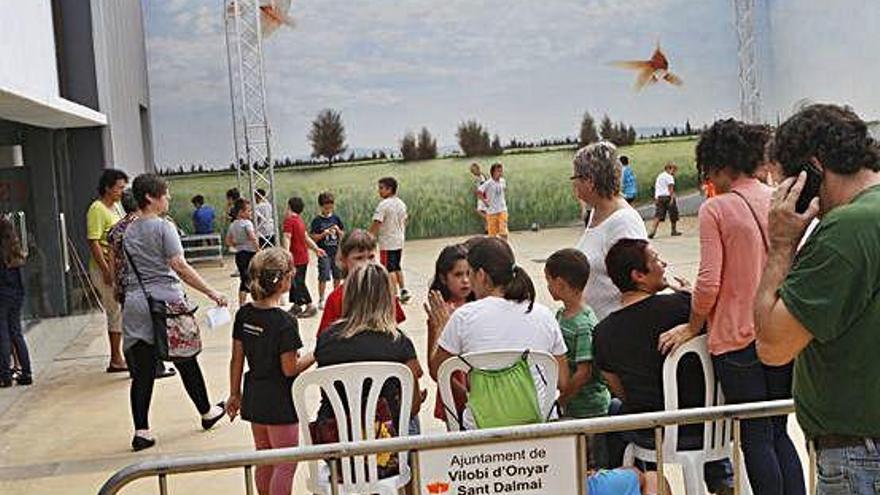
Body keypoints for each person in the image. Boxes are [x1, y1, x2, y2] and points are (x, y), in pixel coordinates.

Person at [660, 119, 805, 495]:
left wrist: (693, 325)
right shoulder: (778, 198)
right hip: (779, 330)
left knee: (754, 437)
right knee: (779, 432)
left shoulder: (716, 209)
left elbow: (709, 282)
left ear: (720, 164)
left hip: (737, 339)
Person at [754, 104, 880, 493]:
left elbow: (774, 345)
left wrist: (781, 246)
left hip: (859, 454)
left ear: (813, 169)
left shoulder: (848, 229)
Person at [594, 238, 733, 493]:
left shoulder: (603, 333)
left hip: (655, 432)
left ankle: (638, 482)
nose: (664, 264)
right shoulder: (683, 308)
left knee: (615, 410)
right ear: (639, 276)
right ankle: (722, 479)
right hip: (711, 425)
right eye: (657, 260)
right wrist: (691, 296)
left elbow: (621, 391)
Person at [122, 174, 228, 451]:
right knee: (186, 359)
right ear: (150, 198)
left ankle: (141, 431)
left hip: (136, 303)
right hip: (166, 303)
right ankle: (206, 412)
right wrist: (212, 292)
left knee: (143, 370)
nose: (168, 199)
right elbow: (179, 265)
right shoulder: (163, 227)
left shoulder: (129, 229)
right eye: (165, 194)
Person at [426, 237, 570, 428]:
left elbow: (438, 372)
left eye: (470, 273)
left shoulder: (463, 317)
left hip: (481, 430)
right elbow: (563, 381)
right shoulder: (544, 315)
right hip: (539, 427)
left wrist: (441, 327)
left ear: (482, 276)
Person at [227, 248, 306, 495]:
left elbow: (236, 359)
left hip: (254, 397)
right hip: (279, 401)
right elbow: (289, 368)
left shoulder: (244, 314)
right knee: (285, 464)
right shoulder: (285, 322)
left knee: (266, 458)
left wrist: (234, 394)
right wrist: (317, 353)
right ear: (284, 280)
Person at [314, 263, 424, 436]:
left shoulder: (326, 340)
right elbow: (412, 406)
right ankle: (409, 462)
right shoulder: (399, 342)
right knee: (410, 418)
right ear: (387, 299)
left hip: (340, 440)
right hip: (387, 442)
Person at [572, 141, 648, 321]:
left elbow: (639, 286)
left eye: (575, 177)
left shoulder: (624, 221)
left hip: (618, 329)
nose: (573, 184)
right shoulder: (596, 212)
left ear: (589, 181)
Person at [108, 190, 176, 380]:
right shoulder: (146, 225)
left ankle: (134, 365)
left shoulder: (116, 229)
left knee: (131, 329)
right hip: (147, 283)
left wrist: (114, 283)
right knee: (152, 326)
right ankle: (157, 365)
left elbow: (112, 258)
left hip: (125, 283)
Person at [544, 248, 609, 419]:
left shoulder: (583, 325)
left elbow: (583, 373)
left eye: (548, 281)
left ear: (560, 284)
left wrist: (562, 401)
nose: (548, 286)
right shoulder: (560, 314)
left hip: (588, 408)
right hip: (572, 404)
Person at [317, 229, 406, 336]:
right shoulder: (336, 297)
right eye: (359, 258)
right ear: (343, 260)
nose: (366, 263)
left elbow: (394, 325)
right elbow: (325, 336)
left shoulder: (385, 291)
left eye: (371, 257)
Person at [424, 244, 474, 422]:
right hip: (453, 390)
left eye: (469, 273)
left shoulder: (481, 306)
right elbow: (433, 368)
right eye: (458, 275)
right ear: (443, 278)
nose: (466, 281)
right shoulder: (439, 312)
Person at [87, 168, 129, 373]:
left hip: (117, 266)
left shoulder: (117, 208)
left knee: (120, 311)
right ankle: (115, 357)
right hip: (104, 267)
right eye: (119, 187)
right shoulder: (97, 209)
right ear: (108, 188)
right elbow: (94, 241)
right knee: (115, 311)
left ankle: (120, 355)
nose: (122, 191)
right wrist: (105, 270)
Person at [0, 218, 31, 387]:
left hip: (2, 294)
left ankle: (4, 375)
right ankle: (26, 372)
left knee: (3, 335)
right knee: (16, 333)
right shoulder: (15, 251)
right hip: (16, 295)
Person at [282, 197, 325, 318]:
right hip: (303, 257)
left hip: (295, 258)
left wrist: (286, 254)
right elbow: (306, 238)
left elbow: (287, 237)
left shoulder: (289, 220)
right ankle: (297, 306)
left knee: (298, 282)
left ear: (289, 207)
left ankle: (310, 305)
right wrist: (316, 249)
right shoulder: (299, 220)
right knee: (295, 282)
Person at [370, 177, 410, 303]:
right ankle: (403, 290)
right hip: (399, 240)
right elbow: (405, 220)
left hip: (387, 242)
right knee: (397, 266)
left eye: (381, 188)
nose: (379, 191)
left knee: (389, 269)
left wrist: (369, 237)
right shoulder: (401, 203)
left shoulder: (383, 205)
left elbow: (377, 222)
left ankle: (394, 295)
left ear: (389, 189)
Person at [309, 192, 345, 310]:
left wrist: (338, 231)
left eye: (330, 206)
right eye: (326, 207)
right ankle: (322, 299)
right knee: (323, 275)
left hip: (336, 252)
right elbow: (312, 237)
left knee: (337, 275)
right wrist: (324, 234)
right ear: (321, 206)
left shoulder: (336, 218)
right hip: (324, 252)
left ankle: (336, 297)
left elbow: (343, 235)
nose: (328, 209)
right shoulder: (317, 221)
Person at [226, 198, 260, 306]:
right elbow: (252, 237)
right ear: (241, 212)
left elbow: (228, 241)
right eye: (249, 211)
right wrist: (258, 249)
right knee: (255, 278)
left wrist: (237, 244)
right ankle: (258, 301)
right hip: (250, 254)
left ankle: (242, 304)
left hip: (240, 255)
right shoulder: (247, 223)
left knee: (244, 280)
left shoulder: (232, 225)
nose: (251, 213)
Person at [648, 162, 681, 239]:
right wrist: (672, 198)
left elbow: (657, 187)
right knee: (673, 214)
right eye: (674, 170)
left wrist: (656, 198)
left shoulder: (660, 176)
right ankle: (673, 230)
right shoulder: (669, 177)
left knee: (658, 215)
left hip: (660, 197)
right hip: (667, 197)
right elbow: (671, 189)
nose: (674, 172)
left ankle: (652, 231)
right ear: (669, 169)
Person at [478, 163, 508, 239]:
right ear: (493, 172)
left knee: (503, 231)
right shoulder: (488, 183)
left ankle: (504, 247)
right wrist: (485, 202)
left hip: (502, 209)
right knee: (492, 235)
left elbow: (504, 190)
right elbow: (479, 192)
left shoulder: (503, 181)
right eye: (498, 171)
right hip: (491, 211)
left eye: (501, 171)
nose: (500, 173)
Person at [469, 162, 489, 227]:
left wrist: (478, 193)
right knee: (485, 211)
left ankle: (490, 219)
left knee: (479, 211)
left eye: (473, 171)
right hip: (482, 196)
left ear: (478, 169)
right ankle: (487, 229)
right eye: (472, 171)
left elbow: (483, 187)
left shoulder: (481, 177)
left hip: (482, 196)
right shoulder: (479, 177)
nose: (473, 173)